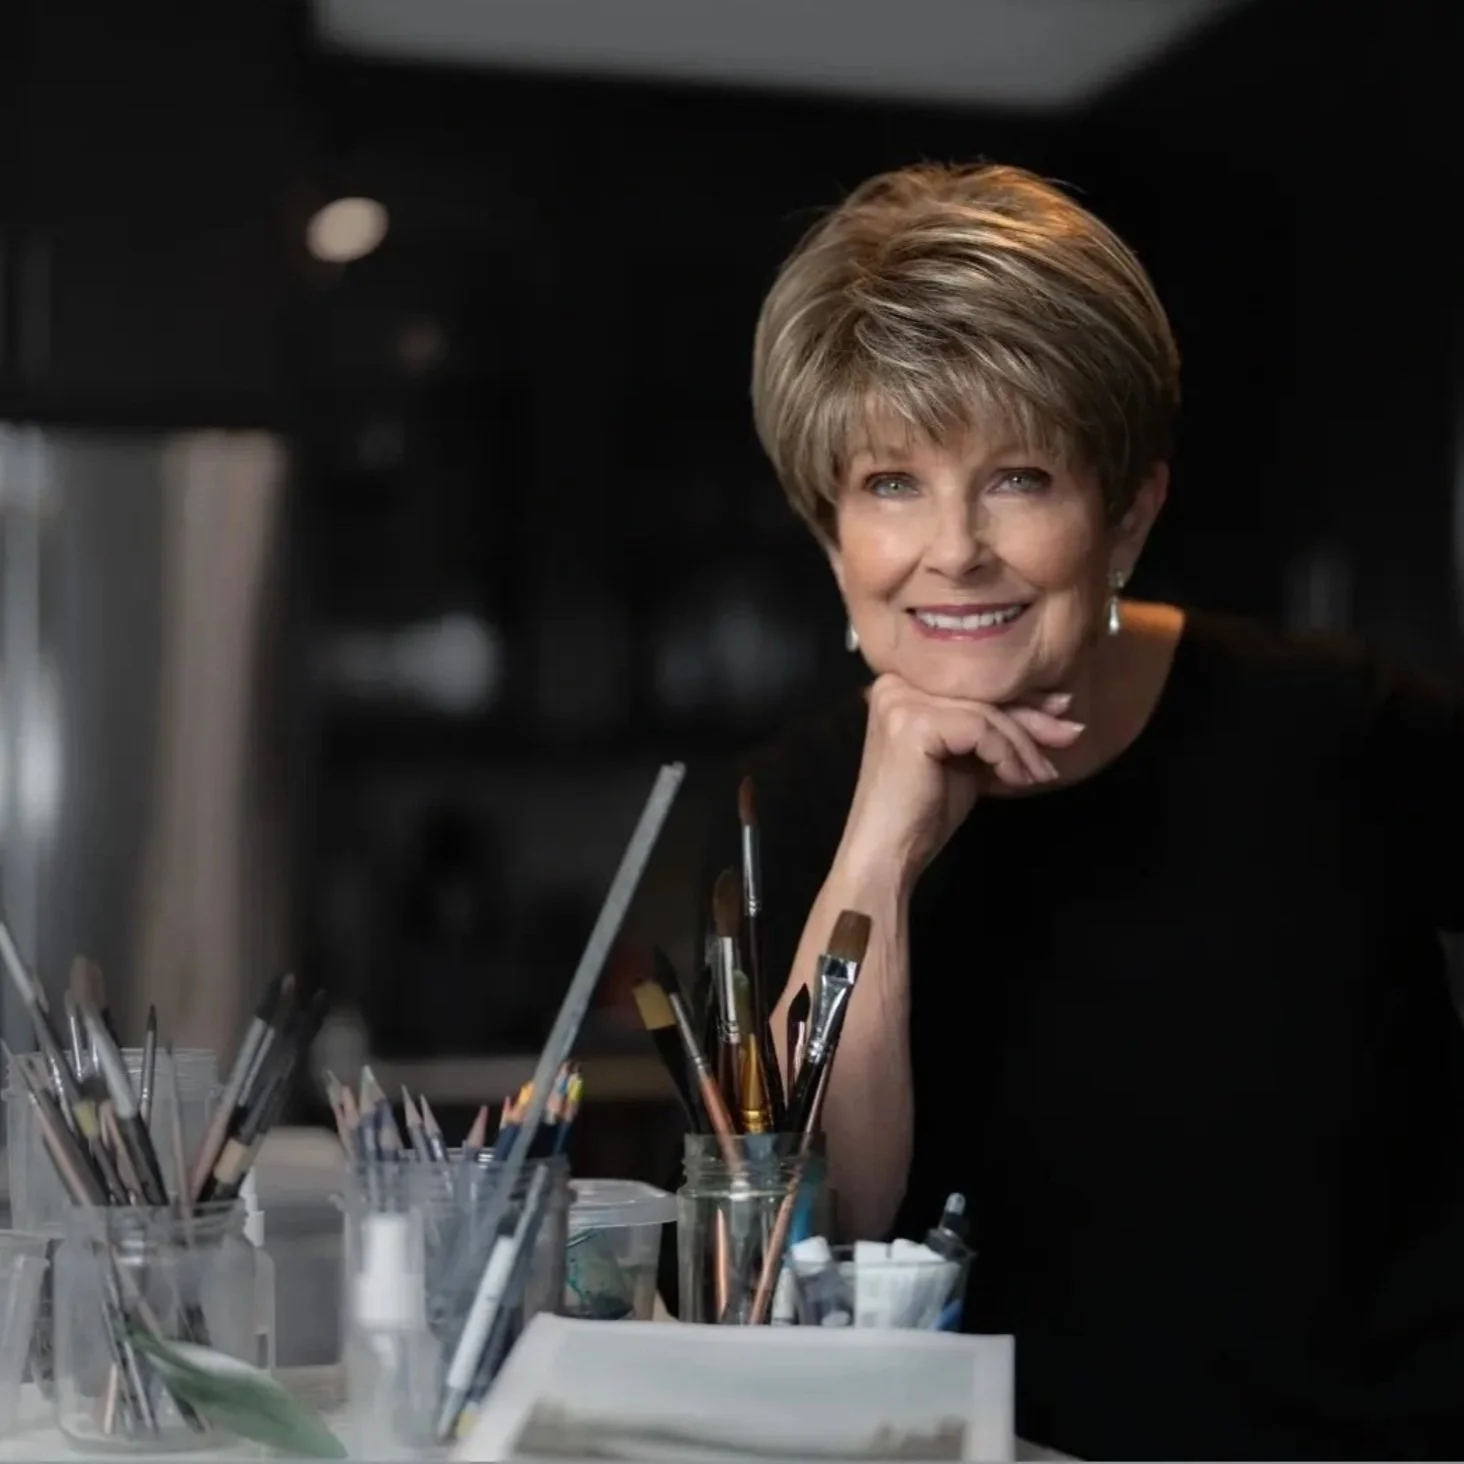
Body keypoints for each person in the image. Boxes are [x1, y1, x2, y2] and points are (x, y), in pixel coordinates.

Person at [690, 161, 1464, 1460]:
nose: (954, 549)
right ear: (833, 541)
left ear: (1126, 515)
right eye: (891, 484)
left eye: (1019, 478)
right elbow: (802, 1239)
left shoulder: (1335, 729)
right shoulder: (799, 806)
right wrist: (879, 854)